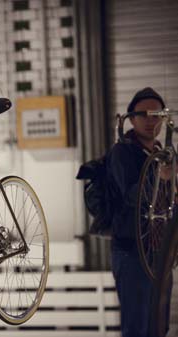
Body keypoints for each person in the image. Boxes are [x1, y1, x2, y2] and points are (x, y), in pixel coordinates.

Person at [106, 87, 170, 337]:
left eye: (156, 114)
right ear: (131, 118)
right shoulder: (122, 152)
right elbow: (131, 195)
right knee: (137, 327)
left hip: (160, 252)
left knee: (159, 326)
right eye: (143, 114)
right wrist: (158, 175)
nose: (150, 120)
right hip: (131, 251)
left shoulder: (162, 153)